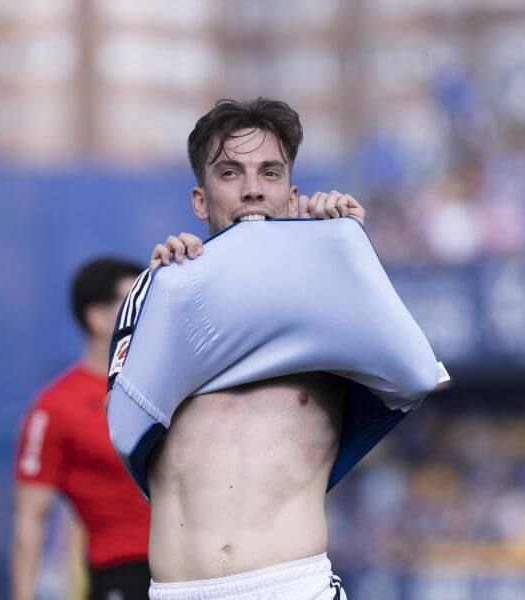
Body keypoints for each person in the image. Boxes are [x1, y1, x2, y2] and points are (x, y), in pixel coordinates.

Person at [108, 98, 445, 599]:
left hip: (291, 586)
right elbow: (125, 424)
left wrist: (346, 247)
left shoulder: (331, 294)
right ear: (200, 200)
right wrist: (167, 289)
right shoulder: (163, 291)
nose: (252, 190)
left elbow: (414, 372)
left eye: (270, 173)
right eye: (230, 173)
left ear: (292, 194)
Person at [12, 257, 151, 600]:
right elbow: (31, 520)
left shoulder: (166, 388)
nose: (146, 312)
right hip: (122, 573)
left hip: (195, 570)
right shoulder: (54, 407)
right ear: (98, 317)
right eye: (133, 302)